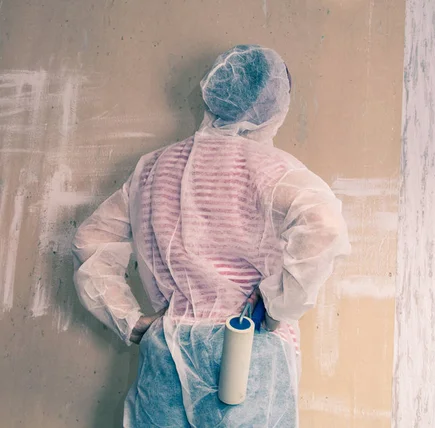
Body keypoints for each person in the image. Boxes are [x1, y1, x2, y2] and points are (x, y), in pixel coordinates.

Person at [72, 44, 350, 427]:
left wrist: (130, 320)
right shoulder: (273, 170)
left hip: (168, 347)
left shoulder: (152, 169)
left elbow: (91, 240)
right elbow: (325, 225)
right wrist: (276, 307)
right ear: (273, 107)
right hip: (249, 347)